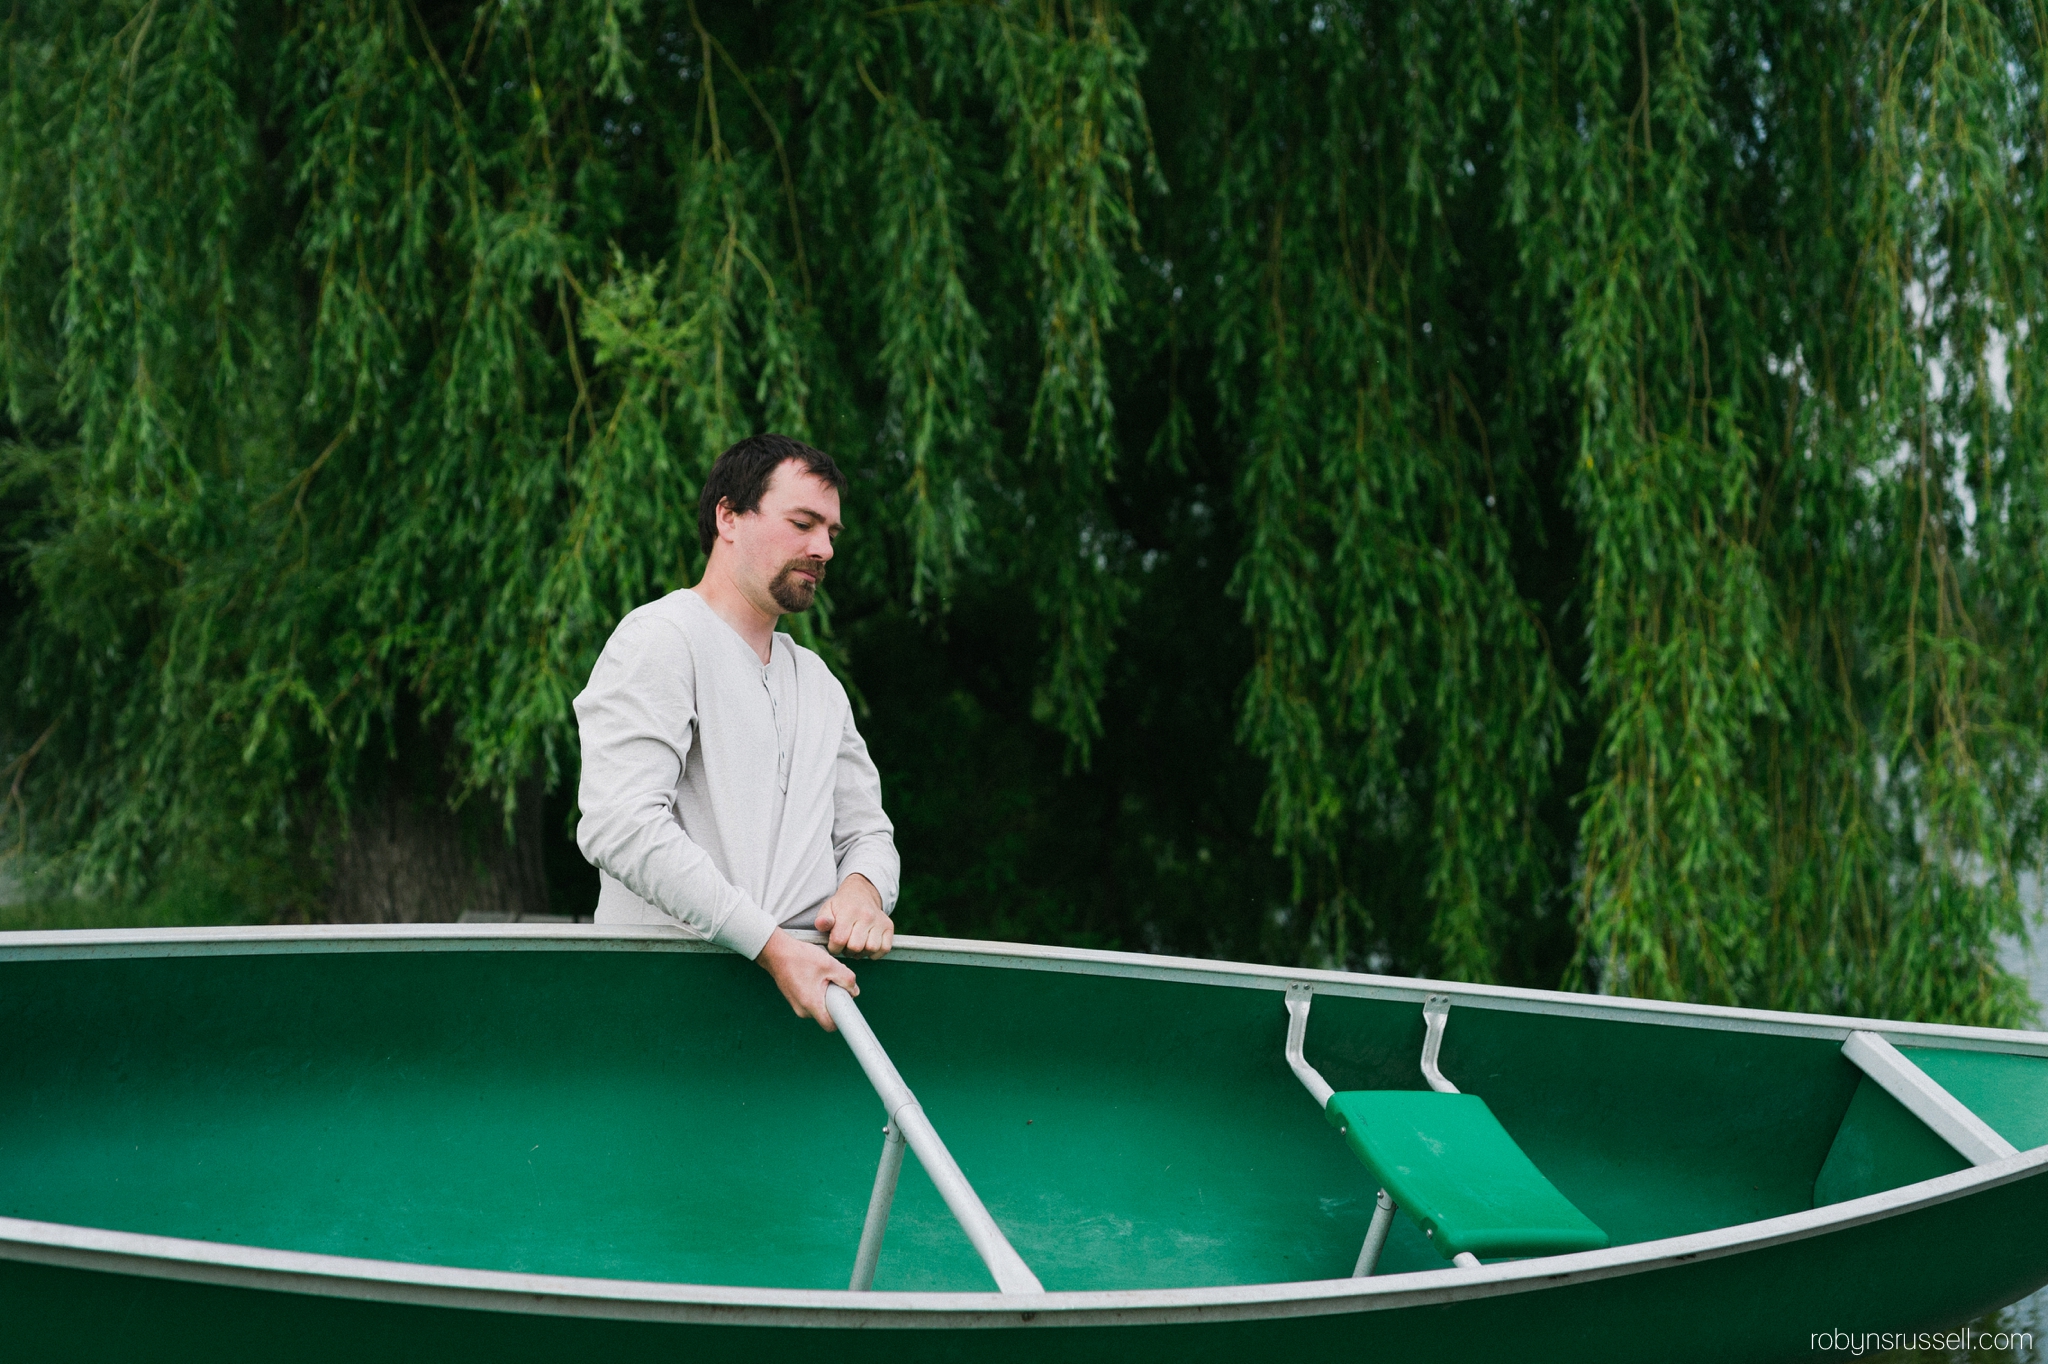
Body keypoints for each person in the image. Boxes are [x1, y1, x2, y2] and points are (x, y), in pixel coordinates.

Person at [573, 434, 898, 1031]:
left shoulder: (819, 682)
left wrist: (863, 890)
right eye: (803, 523)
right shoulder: (661, 639)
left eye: (831, 532)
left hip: (804, 1016)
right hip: (663, 1010)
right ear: (728, 516)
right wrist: (772, 947)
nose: (823, 547)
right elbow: (621, 824)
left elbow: (867, 830)